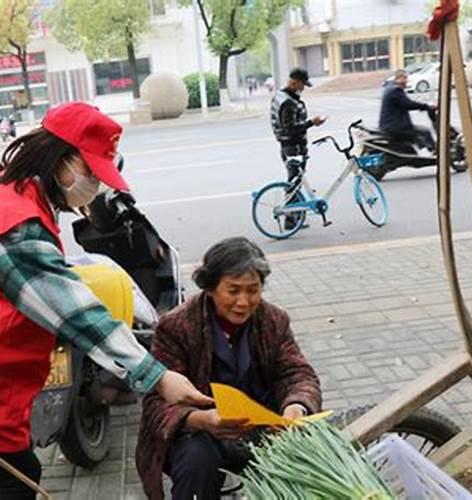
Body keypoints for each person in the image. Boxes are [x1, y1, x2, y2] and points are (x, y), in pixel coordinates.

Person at [0, 102, 212, 499]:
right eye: (89, 172)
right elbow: (78, 316)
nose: (93, 185)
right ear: (59, 157)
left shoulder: (4, 188)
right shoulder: (16, 225)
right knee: (18, 475)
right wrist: (158, 376)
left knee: (14, 472)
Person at [136, 237, 322, 500]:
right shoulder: (176, 327)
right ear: (210, 288)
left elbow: (297, 373)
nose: (244, 302)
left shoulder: (273, 320)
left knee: (309, 460)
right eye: (233, 291)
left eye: (253, 290)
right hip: (200, 431)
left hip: (261, 427)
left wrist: (296, 406)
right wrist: (201, 420)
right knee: (197, 463)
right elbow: (156, 403)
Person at [269, 68, 326, 229]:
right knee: (294, 183)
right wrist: (311, 123)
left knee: (295, 181)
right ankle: (290, 218)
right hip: (293, 147)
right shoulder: (288, 102)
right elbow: (290, 128)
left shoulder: (281, 96)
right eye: (302, 85)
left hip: (288, 145)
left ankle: (295, 217)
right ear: (294, 82)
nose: (303, 88)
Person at [379, 69, 436, 152]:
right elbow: (408, 104)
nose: (407, 81)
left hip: (389, 125)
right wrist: (426, 106)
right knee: (424, 132)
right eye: (405, 78)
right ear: (399, 78)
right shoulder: (396, 90)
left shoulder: (390, 87)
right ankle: (432, 154)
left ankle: (423, 151)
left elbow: (405, 104)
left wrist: (422, 106)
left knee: (418, 134)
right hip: (396, 127)